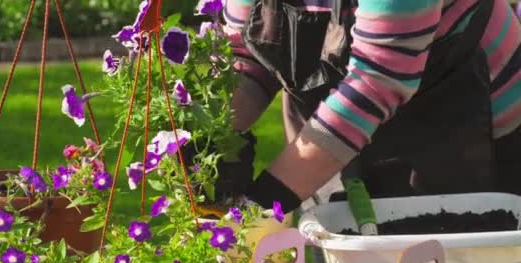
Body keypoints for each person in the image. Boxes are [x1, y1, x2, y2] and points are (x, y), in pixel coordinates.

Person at [223, 0, 521, 214]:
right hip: (331, 128)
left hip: (463, 122)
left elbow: (374, 81)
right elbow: (246, 52)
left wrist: (260, 204)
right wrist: (217, 138)